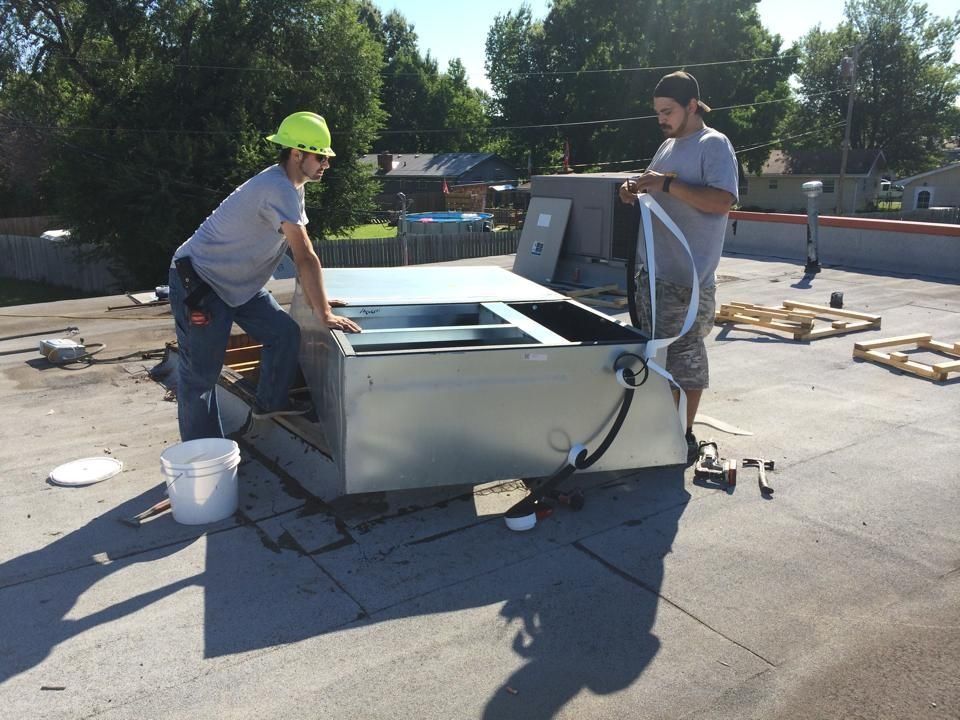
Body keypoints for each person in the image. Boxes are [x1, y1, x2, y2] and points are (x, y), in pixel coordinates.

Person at [169, 111, 361, 442]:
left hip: (240, 285)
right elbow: (305, 255)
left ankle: (269, 404)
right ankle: (205, 458)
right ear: (297, 153)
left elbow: (296, 252)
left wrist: (319, 300)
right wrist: (324, 314)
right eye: (320, 156)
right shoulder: (277, 188)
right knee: (200, 378)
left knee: (284, 333)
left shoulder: (293, 186)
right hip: (202, 281)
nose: (326, 164)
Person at [617, 71, 739, 464]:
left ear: (691, 106)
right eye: (657, 113)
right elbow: (655, 183)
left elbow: (722, 201)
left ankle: (680, 436)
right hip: (652, 275)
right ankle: (660, 429)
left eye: (667, 111)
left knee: (684, 357)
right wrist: (633, 188)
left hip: (688, 281)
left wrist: (665, 185)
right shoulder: (668, 146)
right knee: (659, 357)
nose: (662, 120)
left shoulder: (713, 145)